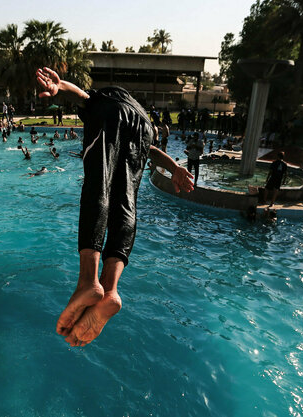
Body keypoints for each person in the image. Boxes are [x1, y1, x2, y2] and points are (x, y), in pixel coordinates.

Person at [36, 67, 194, 347]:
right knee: (126, 200)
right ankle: (110, 288)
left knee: (99, 183)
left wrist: (64, 88)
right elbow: (150, 151)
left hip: (114, 110)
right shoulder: (139, 115)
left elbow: (84, 97)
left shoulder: (106, 101)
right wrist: (174, 168)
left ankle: (88, 280)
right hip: (146, 129)